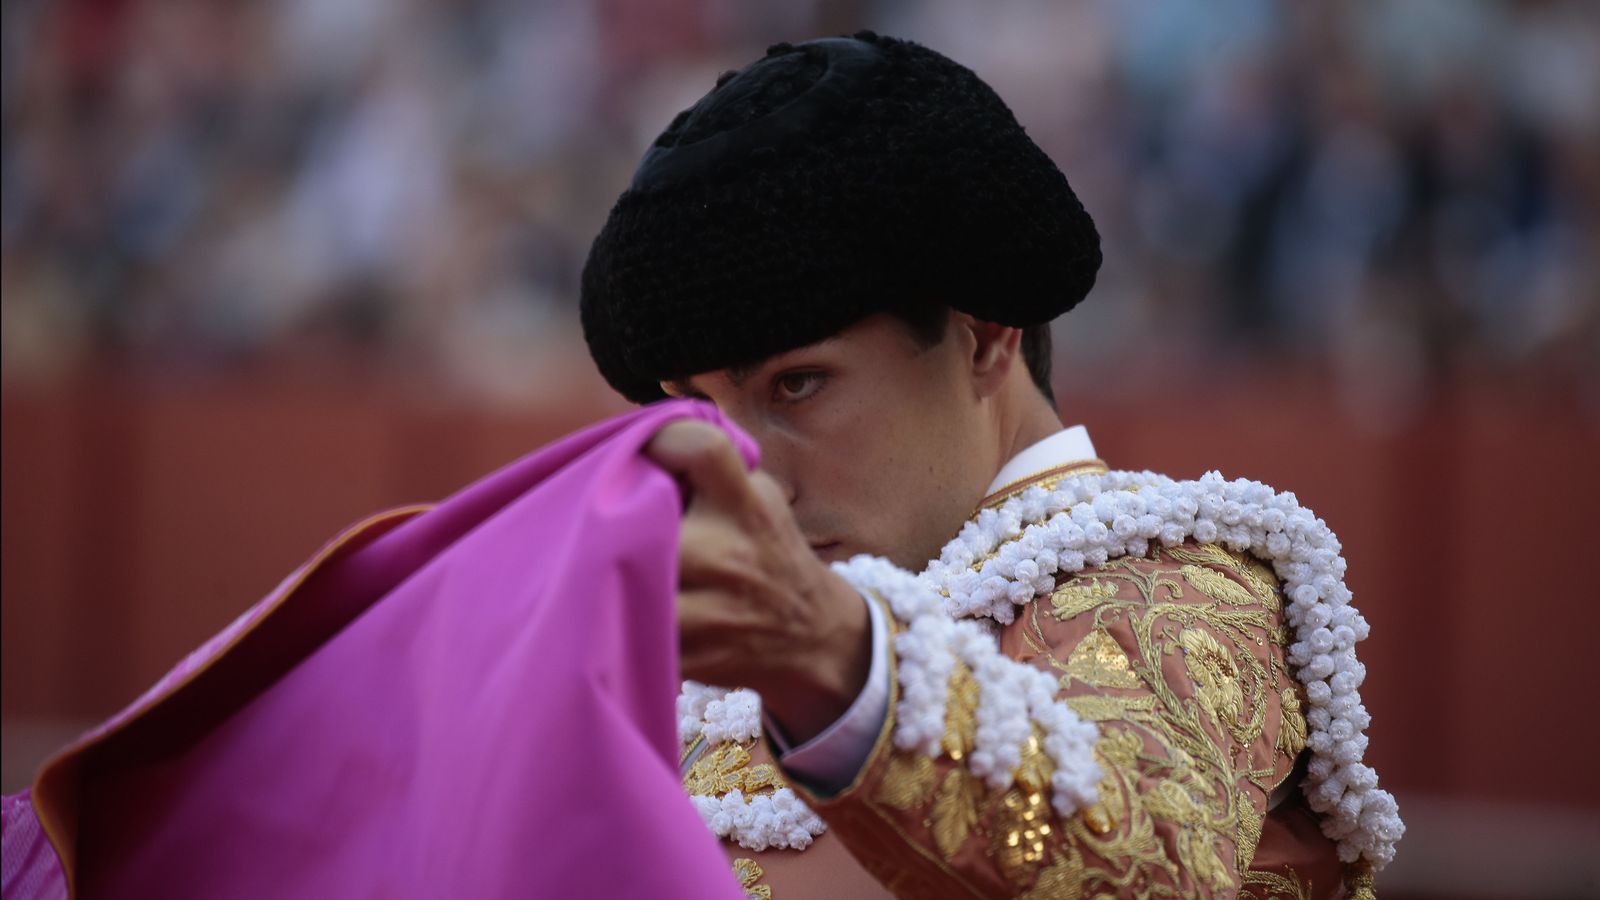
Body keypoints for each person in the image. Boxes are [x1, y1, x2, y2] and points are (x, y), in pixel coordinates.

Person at [579, 32, 1403, 899]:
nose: (753, 480)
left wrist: (834, 667)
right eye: (699, 411)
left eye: (798, 384)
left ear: (983, 338)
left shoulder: (1174, 595)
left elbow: (1144, 877)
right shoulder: (702, 688)